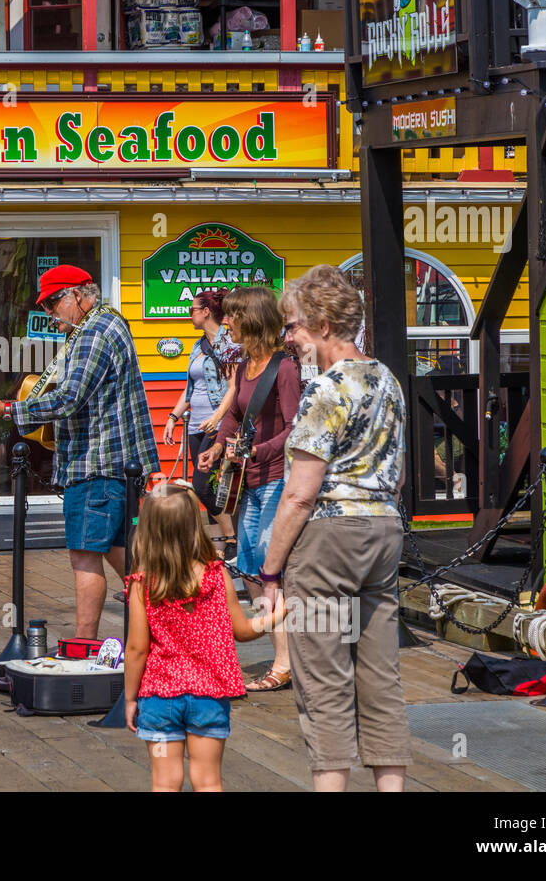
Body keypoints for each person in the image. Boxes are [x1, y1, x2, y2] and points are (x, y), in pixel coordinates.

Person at [258, 264, 411, 793]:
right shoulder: (386, 379)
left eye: (295, 325)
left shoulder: (325, 388)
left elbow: (300, 492)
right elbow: (399, 472)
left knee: (323, 680)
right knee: (380, 678)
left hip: (328, 538)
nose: (290, 337)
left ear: (323, 324)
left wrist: (270, 572)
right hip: (384, 532)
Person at [0, 265, 159, 639]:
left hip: (96, 464)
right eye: (43, 305)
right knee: (122, 556)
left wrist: (8, 410)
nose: (49, 312)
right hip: (114, 464)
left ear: (77, 294)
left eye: (53, 302)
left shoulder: (92, 332)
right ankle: (165, 631)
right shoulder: (106, 323)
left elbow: (71, 398)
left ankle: (84, 649)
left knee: (84, 556)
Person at [123, 483, 284, 792]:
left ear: (148, 529)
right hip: (209, 697)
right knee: (208, 781)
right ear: (194, 527)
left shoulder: (143, 584)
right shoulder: (216, 574)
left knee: (165, 783)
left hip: (159, 699)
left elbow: (136, 649)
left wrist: (130, 698)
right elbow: (244, 631)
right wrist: (277, 615)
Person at [196, 286, 300, 692]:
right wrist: (219, 446)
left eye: (233, 316)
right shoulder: (243, 364)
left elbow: (295, 428)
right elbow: (235, 414)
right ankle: (285, 657)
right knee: (255, 567)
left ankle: (285, 662)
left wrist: (258, 449)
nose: (227, 322)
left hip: (276, 478)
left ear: (252, 320)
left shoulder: (285, 368)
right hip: (250, 479)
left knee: (268, 568)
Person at [163, 288, 242, 549]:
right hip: (196, 425)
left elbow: (234, 387)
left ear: (206, 312)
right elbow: (190, 389)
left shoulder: (227, 344)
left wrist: (218, 417)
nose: (190, 315)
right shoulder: (197, 346)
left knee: (202, 486)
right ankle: (221, 551)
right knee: (209, 489)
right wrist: (174, 417)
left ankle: (232, 538)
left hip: (217, 426)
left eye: (192, 310)